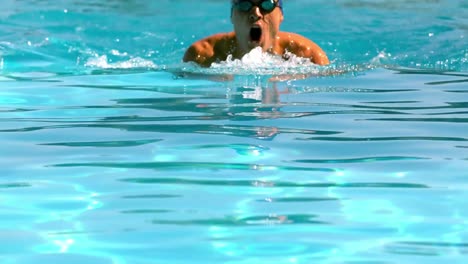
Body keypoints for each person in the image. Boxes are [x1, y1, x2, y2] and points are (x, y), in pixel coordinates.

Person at [183, 0, 329, 67]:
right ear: (232, 15)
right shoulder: (202, 56)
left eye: (267, 4)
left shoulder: (308, 56)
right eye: (244, 4)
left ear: (281, 15)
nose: (255, 13)